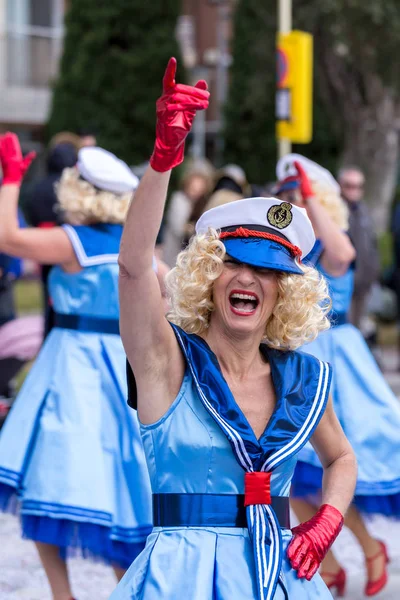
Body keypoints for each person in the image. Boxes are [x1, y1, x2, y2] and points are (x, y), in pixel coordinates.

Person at [110, 57, 357, 600]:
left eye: (268, 270)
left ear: (284, 291)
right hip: (180, 583)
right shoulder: (167, 362)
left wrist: (326, 521)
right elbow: (131, 268)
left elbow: (340, 456)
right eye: (232, 263)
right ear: (207, 275)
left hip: (281, 581)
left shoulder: (305, 377)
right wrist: (163, 161)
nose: (247, 278)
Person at [0, 135, 152, 600]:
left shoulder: (71, 241)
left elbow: (7, 238)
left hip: (71, 370)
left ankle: (63, 596)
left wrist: (9, 180)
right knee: (123, 485)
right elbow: (171, 294)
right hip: (122, 367)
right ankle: (126, 589)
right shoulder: (133, 244)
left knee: (52, 478)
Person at [276, 154, 400, 598]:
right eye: (285, 193)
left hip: (336, 357)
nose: (289, 200)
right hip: (298, 354)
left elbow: (344, 253)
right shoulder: (294, 240)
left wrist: (310, 198)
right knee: (292, 477)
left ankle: (370, 549)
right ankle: (330, 565)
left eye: (296, 192)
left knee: (328, 471)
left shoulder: (332, 237)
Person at [25, 142, 78, 337]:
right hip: (70, 245)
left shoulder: (39, 187)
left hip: (43, 244)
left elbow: (31, 213)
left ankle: (48, 333)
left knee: (48, 291)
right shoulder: (72, 189)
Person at [338, 166, 380, 329]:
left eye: (358, 186)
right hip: (342, 282)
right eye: (349, 185)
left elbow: (372, 244)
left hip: (364, 282)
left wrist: (374, 274)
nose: (353, 190)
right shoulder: (335, 211)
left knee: (358, 328)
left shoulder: (364, 210)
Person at [163, 162, 214, 267]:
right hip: (175, 254)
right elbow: (178, 228)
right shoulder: (179, 199)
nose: (197, 188)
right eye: (194, 184)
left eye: (201, 184)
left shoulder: (202, 203)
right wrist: (193, 228)